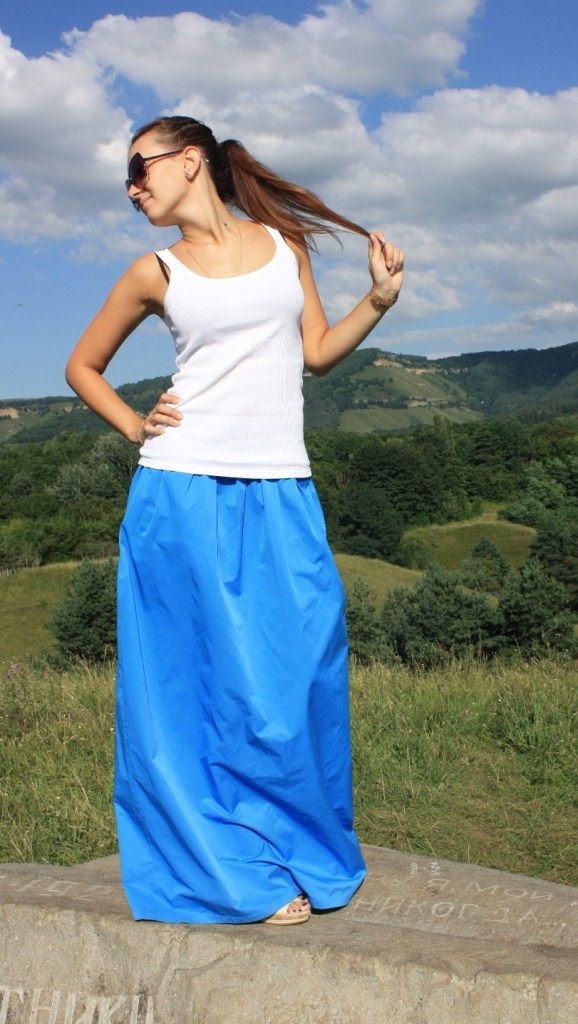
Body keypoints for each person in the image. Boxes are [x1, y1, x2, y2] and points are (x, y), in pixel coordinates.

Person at [66, 115, 404, 926]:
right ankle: (227, 873)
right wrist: (135, 424)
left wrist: (379, 301)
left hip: (281, 486)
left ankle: (290, 844)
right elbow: (83, 366)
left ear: (190, 161)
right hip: (180, 494)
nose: (131, 187)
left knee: (298, 673)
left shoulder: (285, 247)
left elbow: (315, 353)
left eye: (139, 168)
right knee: (190, 690)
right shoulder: (153, 272)